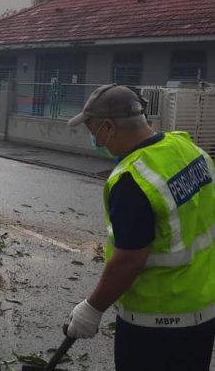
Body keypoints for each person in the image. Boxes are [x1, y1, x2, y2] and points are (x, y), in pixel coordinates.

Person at [64, 84, 215, 370]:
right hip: (203, 312)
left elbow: (129, 260)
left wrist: (92, 309)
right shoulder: (188, 148)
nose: (94, 137)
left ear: (109, 127)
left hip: (155, 324)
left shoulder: (132, 180)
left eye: (92, 129)